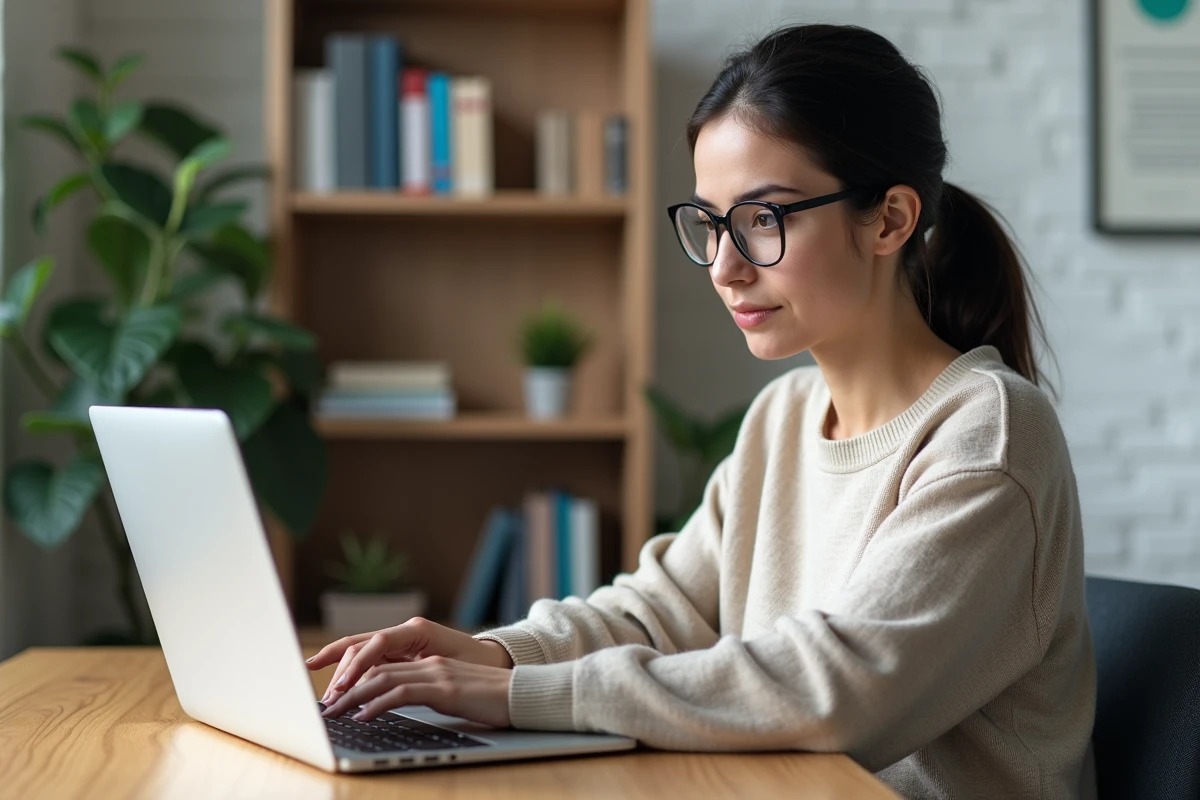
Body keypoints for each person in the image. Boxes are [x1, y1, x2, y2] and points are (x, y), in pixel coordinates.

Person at [306, 23, 1097, 798]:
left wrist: (520, 698)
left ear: (889, 218)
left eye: (764, 219)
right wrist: (495, 658)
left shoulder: (988, 433)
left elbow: (840, 690)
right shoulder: (785, 417)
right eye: (713, 224)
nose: (724, 267)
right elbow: (661, 612)